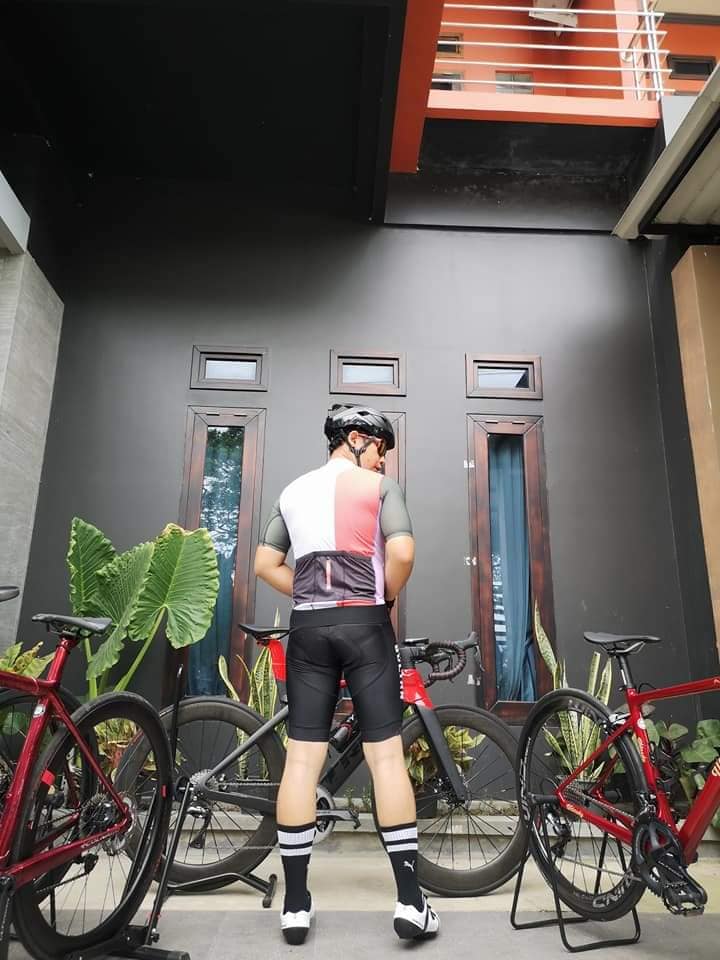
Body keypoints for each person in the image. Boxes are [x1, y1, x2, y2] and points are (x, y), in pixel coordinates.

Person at [254, 404, 440, 945]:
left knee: (301, 761)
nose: (383, 460)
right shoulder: (381, 489)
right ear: (357, 438)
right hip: (366, 625)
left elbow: (266, 564)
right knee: (386, 757)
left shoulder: (291, 492)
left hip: (309, 627)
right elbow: (402, 551)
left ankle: (295, 907)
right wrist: (385, 593)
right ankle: (410, 903)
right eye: (380, 448)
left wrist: (309, 590)